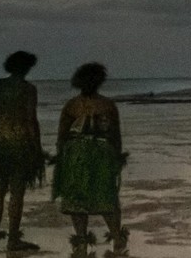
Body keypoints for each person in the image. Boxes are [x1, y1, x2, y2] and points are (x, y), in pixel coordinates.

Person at [52, 62, 129, 255]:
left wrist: (61, 157)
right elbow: (115, 136)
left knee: (83, 200)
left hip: (79, 157)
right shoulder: (106, 105)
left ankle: (82, 240)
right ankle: (115, 238)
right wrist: (117, 158)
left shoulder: (73, 105)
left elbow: (62, 137)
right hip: (94, 156)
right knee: (105, 198)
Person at [0, 50, 45, 252]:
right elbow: (31, 121)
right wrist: (38, 148)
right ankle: (13, 239)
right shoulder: (28, 89)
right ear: (25, 67)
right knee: (17, 194)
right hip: (21, 146)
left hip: (1, 145)